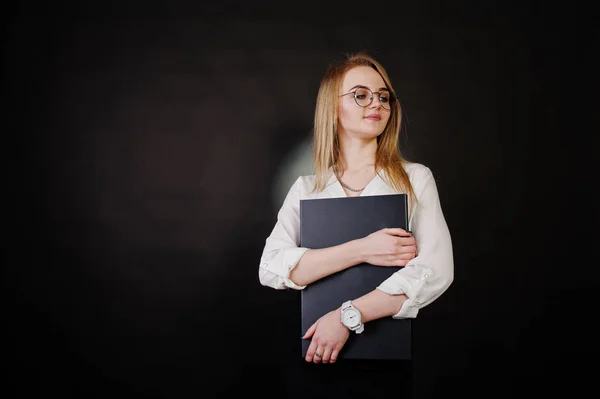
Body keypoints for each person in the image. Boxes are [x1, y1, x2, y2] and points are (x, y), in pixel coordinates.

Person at [258, 52, 454, 395]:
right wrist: (364, 248)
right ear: (333, 108)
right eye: (360, 95)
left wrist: (348, 316)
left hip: (388, 360)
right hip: (316, 355)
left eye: (383, 96)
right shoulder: (308, 188)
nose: (375, 103)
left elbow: (436, 269)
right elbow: (272, 268)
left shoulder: (414, 179)